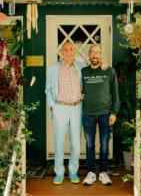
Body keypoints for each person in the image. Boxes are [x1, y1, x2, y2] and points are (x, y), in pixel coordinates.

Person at [45, 41, 84, 185]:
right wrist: (52, 106)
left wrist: (104, 65)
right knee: (59, 142)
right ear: (61, 52)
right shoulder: (53, 69)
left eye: (71, 49)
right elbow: (48, 89)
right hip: (60, 107)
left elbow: (95, 70)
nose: (69, 52)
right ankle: (59, 172)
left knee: (76, 142)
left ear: (75, 51)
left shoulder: (81, 66)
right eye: (66, 50)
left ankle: (73, 171)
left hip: (76, 108)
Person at [81, 44, 120, 186]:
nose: (95, 55)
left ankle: (103, 172)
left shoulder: (109, 71)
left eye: (98, 52)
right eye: (92, 52)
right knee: (90, 144)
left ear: (101, 55)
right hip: (88, 114)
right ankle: (91, 172)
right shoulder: (83, 71)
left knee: (104, 145)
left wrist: (114, 112)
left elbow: (115, 94)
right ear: (89, 55)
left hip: (105, 113)